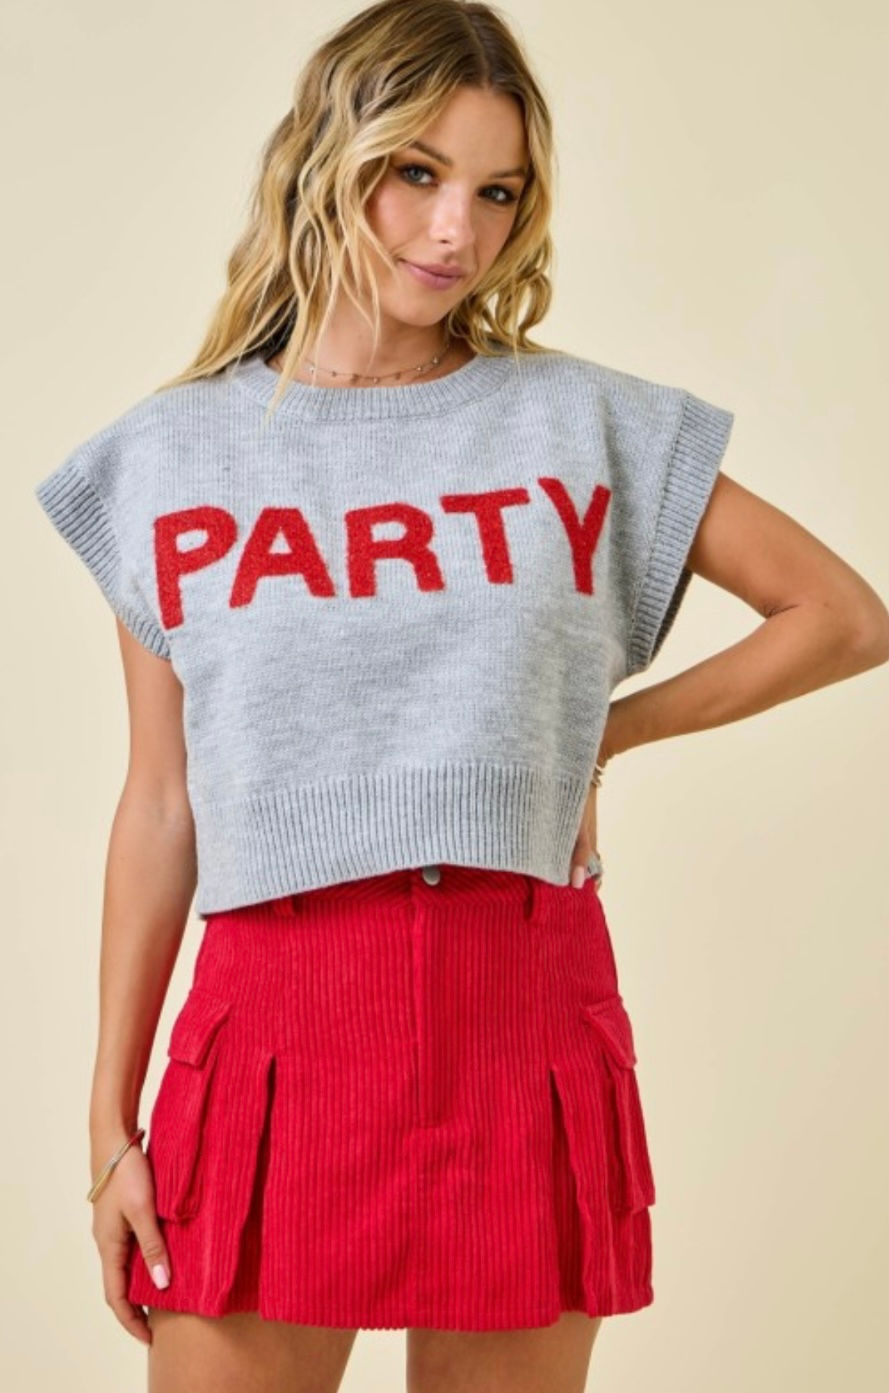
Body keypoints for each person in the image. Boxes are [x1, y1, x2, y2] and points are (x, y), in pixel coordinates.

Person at [33, 2, 889, 1390]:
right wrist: (107, 1130)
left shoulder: (581, 424)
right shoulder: (173, 456)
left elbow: (842, 617)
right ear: (327, 161)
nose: (455, 233)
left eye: (497, 192)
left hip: (518, 1011)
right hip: (273, 1024)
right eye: (417, 174)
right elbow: (162, 801)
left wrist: (600, 735)